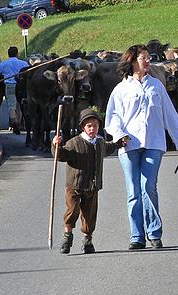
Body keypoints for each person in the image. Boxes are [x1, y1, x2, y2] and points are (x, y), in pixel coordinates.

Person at [105, 44, 178, 250]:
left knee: (148, 187)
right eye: (144, 58)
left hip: (154, 142)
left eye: (149, 58)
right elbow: (112, 116)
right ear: (133, 61)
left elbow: (169, 113)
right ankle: (137, 235)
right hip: (129, 144)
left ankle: (154, 232)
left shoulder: (156, 86)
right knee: (133, 190)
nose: (148, 61)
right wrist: (119, 135)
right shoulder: (121, 89)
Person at [52, 108, 129, 254]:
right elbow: (61, 155)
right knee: (72, 212)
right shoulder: (74, 143)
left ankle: (88, 240)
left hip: (92, 186)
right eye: (89, 126)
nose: (92, 129)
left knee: (89, 215)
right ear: (82, 127)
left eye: (95, 126)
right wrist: (56, 145)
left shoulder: (100, 142)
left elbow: (109, 147)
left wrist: (119, 143)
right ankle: (67, 237)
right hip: (74, 186)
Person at [0, 46, 29, 133]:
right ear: (17, 53)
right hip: (21, 86)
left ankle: (14, 121)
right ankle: (19, 122)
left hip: (10, 85)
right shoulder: (23, 63)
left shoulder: (5, 64)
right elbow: (30, 71)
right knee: (19, 105)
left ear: (8, 54)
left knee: (11, 105)